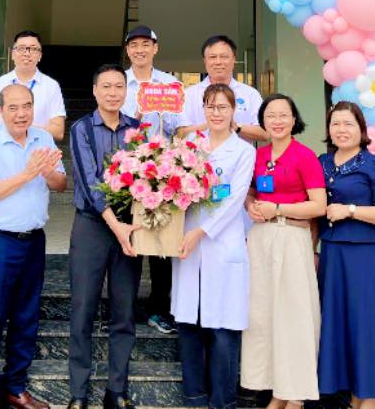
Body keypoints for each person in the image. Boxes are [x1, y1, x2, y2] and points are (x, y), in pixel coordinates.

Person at [0, 83, 68, 409]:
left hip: (33, 241)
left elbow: (61, 183)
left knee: (26, 317)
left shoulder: (43, 139)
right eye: (13, 107)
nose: (21, 113)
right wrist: (27, 174)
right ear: (0, 111)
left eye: (27, 106)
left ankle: (16, 387)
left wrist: (48, 172)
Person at [171, 83, 256, 409]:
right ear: (203, 109)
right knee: (188, 323)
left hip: (222, 242)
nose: (216, 113)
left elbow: (234, 200)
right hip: (187, 242)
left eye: (223, 107)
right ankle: (194, 397)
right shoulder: (190, 146)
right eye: (210, 106)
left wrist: (201, 232)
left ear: (234, 111)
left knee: (223, 328)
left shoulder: (244, 151)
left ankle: (223, 401)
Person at [241, 94, 327, 409]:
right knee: (263, 317)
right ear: (262, 121)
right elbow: (251, 192)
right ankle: (276, 391)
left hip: (291, 237)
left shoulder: (305, 156)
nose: (277, 121)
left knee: (295, 316)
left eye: (283, 115)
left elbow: (319, 205)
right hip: (261, 240)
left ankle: (296, 396)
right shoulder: (259, 155)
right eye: (271, 115)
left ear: (294, 120)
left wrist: (277, 208)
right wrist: (251, 205)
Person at [67, 64, 144, 409]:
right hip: (92, 227)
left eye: (119, 86)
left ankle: (117, 391)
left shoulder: (138, 130)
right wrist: (117, 227)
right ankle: (78, 393)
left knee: (124, 311)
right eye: (106, 87)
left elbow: (147, 177)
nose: (113, 93)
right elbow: (89, 182)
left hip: (130, 227)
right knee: (83, 308)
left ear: (126, 91)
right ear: (95, 91)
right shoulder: (81, 128)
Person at [316, 102, 375, 408]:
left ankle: (368, 400)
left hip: (361, 257)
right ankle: (351, 396)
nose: (341, 130)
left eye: (348, 124)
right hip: (330, 255)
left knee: (365, 326)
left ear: (361, 129)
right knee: (337, 325)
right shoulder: (322, 162)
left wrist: (350, 210)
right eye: (335, 123)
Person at [120, 25, 180, 335]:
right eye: (134, 45)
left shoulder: (170, 84)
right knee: (128, 239)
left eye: (146, 44)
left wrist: (161, 114)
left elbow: (180, 128)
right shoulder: (118, 83)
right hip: (126, 171)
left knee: (160, 243)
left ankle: (159, 308)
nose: (140, 50)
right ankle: (125, 309)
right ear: (127, 50)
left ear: (155, 48)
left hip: (162, 172)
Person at [0, 30, 67, 141]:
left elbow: (58, 131)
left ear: (40, 56)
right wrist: (12, 133)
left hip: (37, 149)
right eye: (21, 48)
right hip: (2, 149)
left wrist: (25, 132)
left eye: (33, 49)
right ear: (12, 54)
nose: (27, 53)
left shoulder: (51, 86)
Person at [178, 35, 267, 143]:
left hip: (239, 154)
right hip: (200, 154)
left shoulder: (250, 94)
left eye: (224, 57)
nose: (218, 62)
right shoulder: (188, 95)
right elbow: (179, 133)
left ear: (234, 59)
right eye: (213, 57)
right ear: (205, 61)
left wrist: (235, 126)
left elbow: (264, 133)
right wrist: (210, 124)